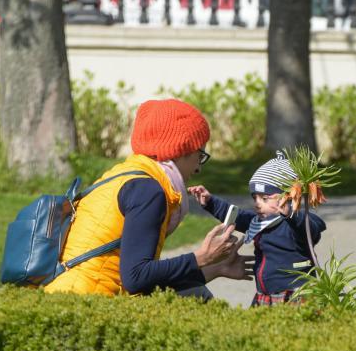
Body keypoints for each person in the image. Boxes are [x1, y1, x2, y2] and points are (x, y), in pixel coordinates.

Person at [45, 99, 252, 297]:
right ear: (181, 149)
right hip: (88, 300)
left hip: (72, 291)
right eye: (200, 155)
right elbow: (136, 278)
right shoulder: (149, 191)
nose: (198, 168)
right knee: (197, 295)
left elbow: (143, 278)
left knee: (193, 290)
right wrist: (201, 257)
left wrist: (215, 268)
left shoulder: (127, 176)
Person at [188, 151, 326, 306]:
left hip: (294, 294)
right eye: (255, 198)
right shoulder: (259, 222)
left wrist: (291, 215)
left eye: (265, 198)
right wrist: (210, 202)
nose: (257, 203)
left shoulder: (294, 224)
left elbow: (311, 230)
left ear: (289, 197)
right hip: (265, 293)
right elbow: (235, 215)